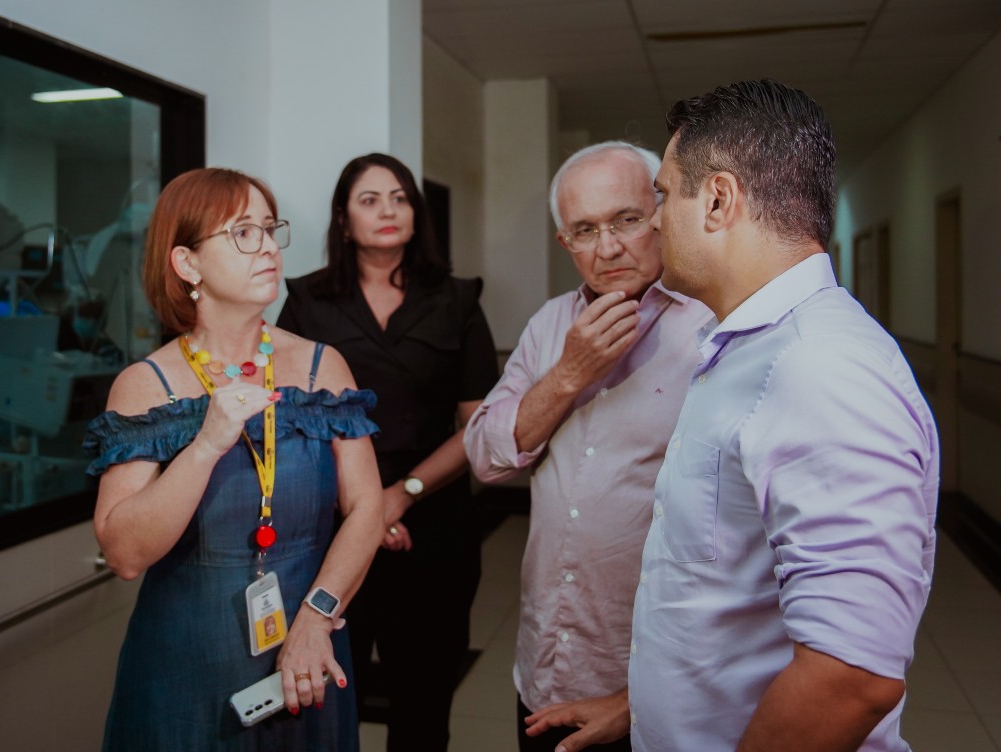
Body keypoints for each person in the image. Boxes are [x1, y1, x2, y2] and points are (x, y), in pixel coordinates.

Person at [630, 79, 939, 751]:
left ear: (718, 200)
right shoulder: (746, 349)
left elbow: (851, 675)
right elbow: (728, 597)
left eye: (664, 194)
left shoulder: (818, 365)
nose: (653, 222)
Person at [84, 167, 387, 751]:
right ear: (187, 263)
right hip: (185, 667)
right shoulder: (146, 386)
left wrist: (318, 617)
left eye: (271, 229)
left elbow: (367, 507)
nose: (269, 247)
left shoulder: (321, 368)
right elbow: (124, 554)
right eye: (244, 233)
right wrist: (205, 445)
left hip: (308, 651)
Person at [463, 141, 712, 752]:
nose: (607, 248)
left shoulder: (714, 326)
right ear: (564, 242)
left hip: (659, 681)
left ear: (662, 213)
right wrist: (568, 374)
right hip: (548, 662)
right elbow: (485, 456)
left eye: (626, 219)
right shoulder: (550, 324)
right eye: (584, 230)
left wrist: (640, 697)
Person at [278, 153, 499, 752]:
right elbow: (287, 419)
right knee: (323, 699)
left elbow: (477, 425)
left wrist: (401, 495)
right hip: (330, 523)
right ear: (343, 220)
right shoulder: (307, 301)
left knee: (423, 703)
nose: (388, 210)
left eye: (400, 198)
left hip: (432, 520)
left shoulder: (457, 300)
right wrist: (362, 508)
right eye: (370, 199)